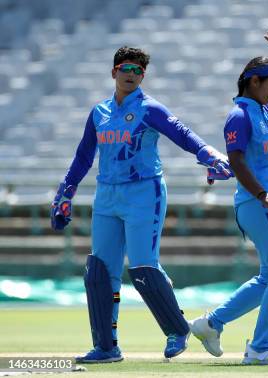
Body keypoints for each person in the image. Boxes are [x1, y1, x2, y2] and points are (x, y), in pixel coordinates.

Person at [50, 46, 233, 363]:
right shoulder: (99, 113)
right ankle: (106, 347)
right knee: (99, 271)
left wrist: (211, 156)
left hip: (144, 193)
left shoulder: (150, 108)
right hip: (107, 195)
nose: (132, 75)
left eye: (138, 71)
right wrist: (65, 192)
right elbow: (83, 156)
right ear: (114, 72)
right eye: (126, 69)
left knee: (143, 268)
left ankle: (178, 329)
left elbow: (183, 134)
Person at [189, 29, 268, 365]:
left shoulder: (265, 111)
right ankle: (260, 347)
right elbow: (237, 160)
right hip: (260, 205)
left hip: (267, 204)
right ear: (253, 82)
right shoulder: (240, 115)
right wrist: (264, 195)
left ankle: (211, 324)